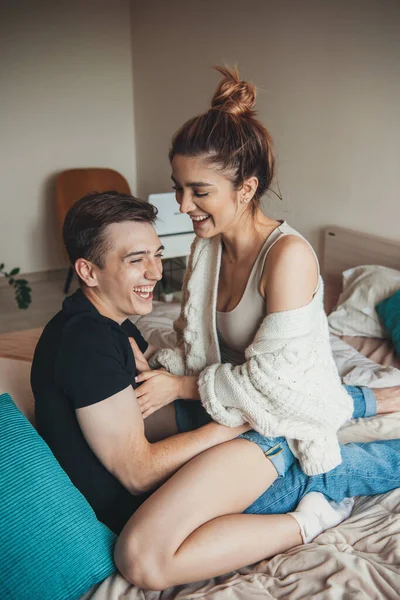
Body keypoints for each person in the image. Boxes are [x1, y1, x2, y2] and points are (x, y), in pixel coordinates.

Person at [114, 67, 400, 590]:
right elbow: (196, 345)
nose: (181, 207)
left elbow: (275, 385)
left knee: (141, 556)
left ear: (246, 189)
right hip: (237, 406)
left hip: (274, 422)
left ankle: (316, 507)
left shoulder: (288, 257)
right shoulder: (208, 245)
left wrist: (179, 386)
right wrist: (159, 367)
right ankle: (375, 399)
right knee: (119, 435)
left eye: (198, 191)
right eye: (178, 189)